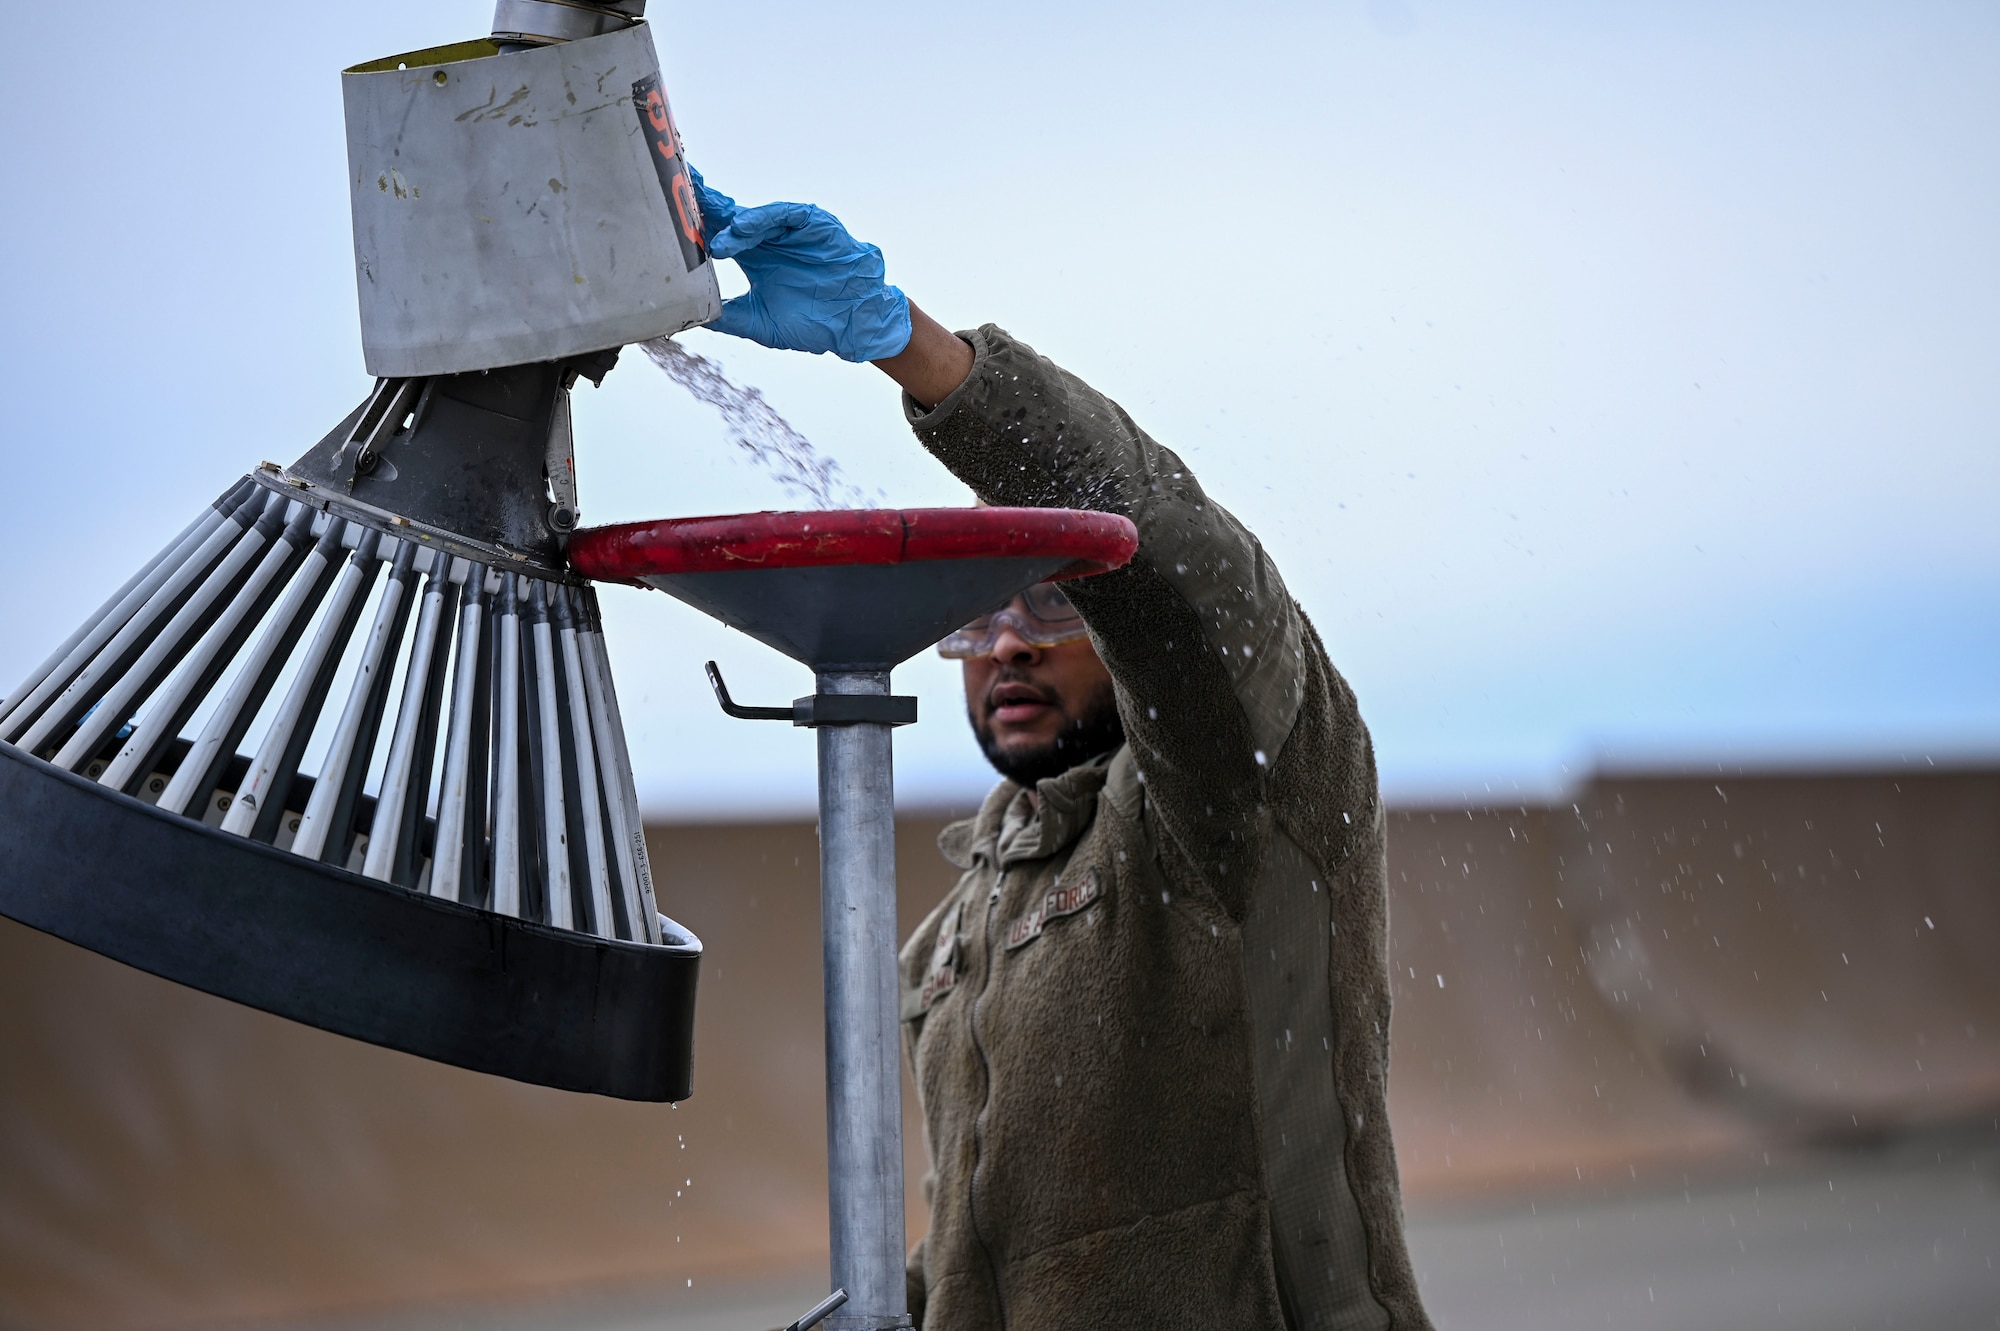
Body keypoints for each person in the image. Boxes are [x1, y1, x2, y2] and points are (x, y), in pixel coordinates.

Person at [691, 173, 1434, 1331]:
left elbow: (1171, 568)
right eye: (973, 622)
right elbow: (987, 1255)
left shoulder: (1241, 808)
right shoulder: (951, 936)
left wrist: (915, 351)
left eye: (1048, 609)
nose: (1006, 649)